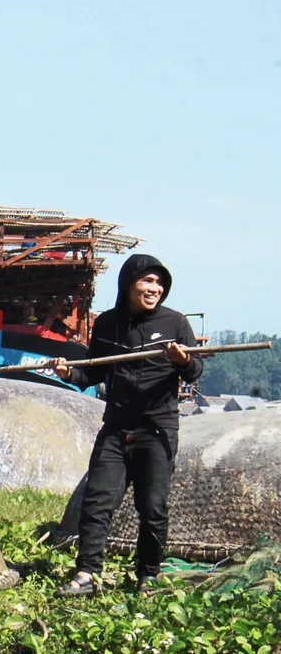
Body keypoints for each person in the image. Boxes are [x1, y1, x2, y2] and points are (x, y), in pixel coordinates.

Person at [49, 254, 202, 595]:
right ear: (128, 284)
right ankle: (87, 574)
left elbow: (195, 371)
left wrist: (183, 360)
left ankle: (147, 575)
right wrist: (68, 372)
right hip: (116, 429)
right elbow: (94, 371)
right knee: (97, 502)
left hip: (157, 429)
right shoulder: (107, 324)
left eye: (159, 283)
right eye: (146, 281)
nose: (154, 288)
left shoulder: (175, 323)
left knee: (152, 508)